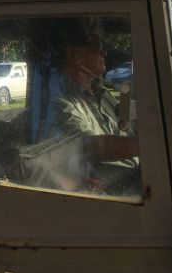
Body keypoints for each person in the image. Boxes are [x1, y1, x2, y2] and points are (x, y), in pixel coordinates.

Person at [36, 30, 140, 194]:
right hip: (105, 191)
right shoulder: (60, 100)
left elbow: (124, 127)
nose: (104, 52)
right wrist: (144, 145)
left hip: (133, 179)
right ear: (74, 54)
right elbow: (88, 147)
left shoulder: (102, 93)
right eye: (95, 47)